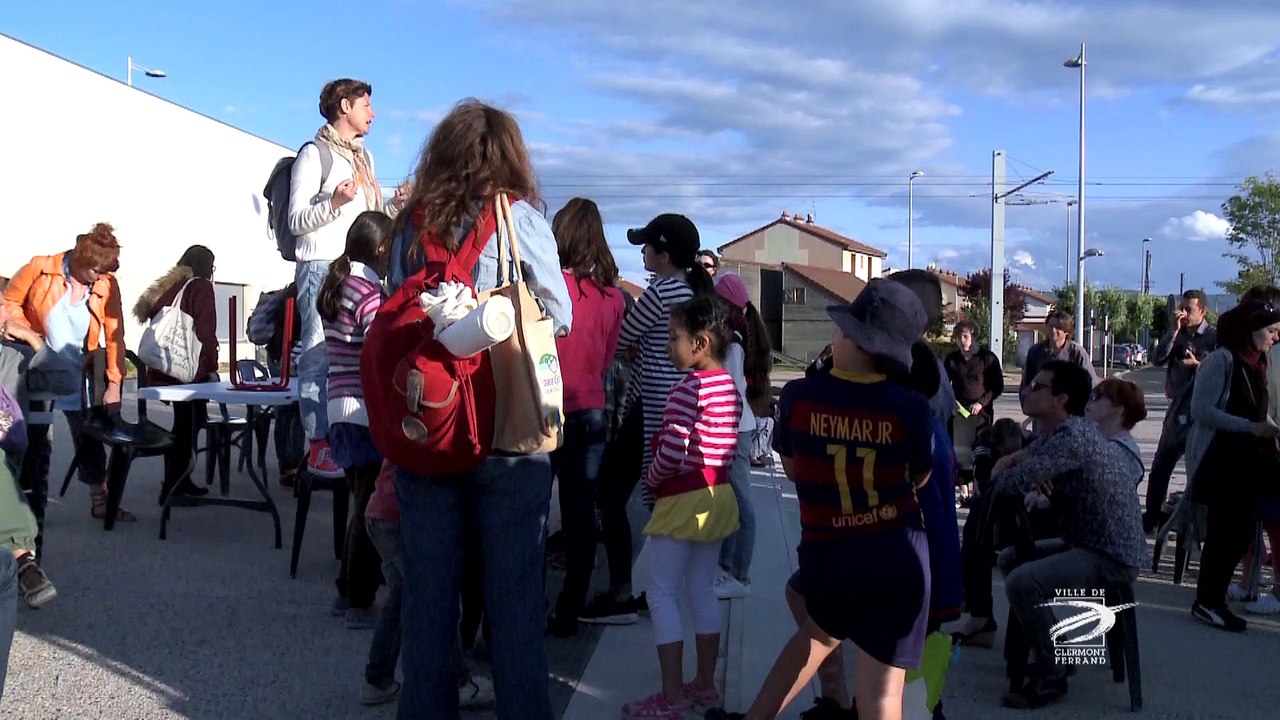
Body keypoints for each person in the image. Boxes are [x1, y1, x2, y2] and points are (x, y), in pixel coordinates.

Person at [382, 99, 571, 720]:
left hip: (429, 427)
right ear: (510, 156)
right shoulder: (520, 221)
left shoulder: (412, 225)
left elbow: (392, 308)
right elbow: (560, 317)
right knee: (514, 598)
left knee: (430, 598)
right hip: (507, 433)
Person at [721, 278, 934, 720]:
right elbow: (921, 477)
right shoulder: (911, 407)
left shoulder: (800, 396)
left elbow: (795, 471)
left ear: (851, 337)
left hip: (829, 553)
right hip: (896, 557)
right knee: (881, 697)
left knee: (817, 636)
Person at [579, 213, 715, 625]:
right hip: (676, 405)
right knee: (663, 496)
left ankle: (623, 593)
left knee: (611, 494)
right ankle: (670, 588)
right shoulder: (692, 290)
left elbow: (620, 337)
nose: (642, 252)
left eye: (647, 246)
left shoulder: (660, 293)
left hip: (651, 406)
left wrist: (627, 350)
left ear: (665, 254)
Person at [992, 361, 1148, 709]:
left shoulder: (1073, 438)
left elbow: (1012, 482)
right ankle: (1056, 651)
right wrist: (1014, 458)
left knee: (1021, 582)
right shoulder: (1061, 432)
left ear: (1061, 399)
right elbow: (1030, 454)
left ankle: (1053, 676)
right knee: (1010, 558)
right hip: (1089, 542)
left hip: (1110, 554)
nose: (1027, 390)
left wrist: (1002, 467)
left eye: (1038, 386)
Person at [621, 296, 742, 720]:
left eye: (674, 339)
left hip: (683, 497)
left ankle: (670, 698)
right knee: (702, 588)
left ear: (701, 343)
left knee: (661, 593)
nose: (669, 346)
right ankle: (705, 685)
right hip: (717, 494)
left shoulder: (685, 389)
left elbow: (672, 450)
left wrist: (653, 480)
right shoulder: (728, 386)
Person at [288, 78, 404, 480]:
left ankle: (348, 437)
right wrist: (334, 203)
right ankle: (319, 444)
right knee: (318, 356)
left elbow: (367, 219)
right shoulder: (313, 154)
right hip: (321, 265)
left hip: (357, 269)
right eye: (366, 105)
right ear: (344, 106)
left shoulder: (363, 159)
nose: (373, 113)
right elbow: (297, 220)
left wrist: (392, 206)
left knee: (355, 358)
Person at [2, 222, 133, 522]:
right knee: (32, 438)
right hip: (36, 369)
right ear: (80, 260)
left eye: (105, 273)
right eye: (97, 272)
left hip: (76, 370)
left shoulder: (106, 285)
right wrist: (25, 334)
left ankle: (100, 500)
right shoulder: (41, 269)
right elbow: (9, 301)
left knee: (88, 435)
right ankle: (23, 507)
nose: (102, 278)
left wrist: (114, 381)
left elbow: (115, 334)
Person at [1167, 300, 1280, 633]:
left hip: (1247, 462)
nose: (1275, 338)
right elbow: (1203, 410)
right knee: (1225, 533)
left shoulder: (1257, 362)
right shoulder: (1222, 359)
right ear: (1251, 330)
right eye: (1271, 331)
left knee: (1242, 532)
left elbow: (1258, 411)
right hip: (1220, 461)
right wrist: (1250, 427)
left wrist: (1268, 427)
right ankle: (1207, 602)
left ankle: (1213, 599)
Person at [545, 197, 625, 637]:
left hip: (544, 408)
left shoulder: (549, 286)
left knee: (533, 513)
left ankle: (520, 604)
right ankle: (569, 610)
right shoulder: (614, 299)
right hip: (590, 409)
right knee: (580, 517)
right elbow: (609, 358)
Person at [317, 210, 394, 628]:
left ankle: (347, 589)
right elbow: (378, 346)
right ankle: (358, 598)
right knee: (368, 508)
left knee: (358, 500)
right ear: (381, 249)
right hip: (364, 409)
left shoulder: (337, 284)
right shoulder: (367, 292)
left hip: (337, 406)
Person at [132, 245, 220, 503]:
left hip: (166, 369)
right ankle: (175, 485)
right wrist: (212, 366)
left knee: (184, 424)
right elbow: (205, 331)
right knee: (188, 426)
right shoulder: (200, 287)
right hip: (190, 371)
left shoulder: (170, 287)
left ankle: (178, 479)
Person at [712, 273, 771, 600]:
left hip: (733, 431)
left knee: (741, 503)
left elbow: (730, 394)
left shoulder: (732, 343)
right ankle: (726, 567)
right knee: (732, 502)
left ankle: (739, 574)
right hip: (737, 428)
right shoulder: (736, 338)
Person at [1144, 289, 1216, 532]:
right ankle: (1152, 518)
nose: (1184, 314)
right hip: (1176, 413)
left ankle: (1194, 524)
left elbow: (1221, 372)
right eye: (1182, 308)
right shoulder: (1178, 335)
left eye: (1190, 310)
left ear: (1203, 311)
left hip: (1201, 415)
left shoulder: (1214, 338)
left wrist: (1198, 365)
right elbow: (1157, 359)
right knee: (1160, 468)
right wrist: (1173, 331)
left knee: (1198, 474)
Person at [952, 418, 1026, 649]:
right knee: (978, 520)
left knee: (978, 527)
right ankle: (979, 614)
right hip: (996, 508)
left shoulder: (1031, 443)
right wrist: (1000, 468)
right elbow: (985, 485)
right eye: (1007, 452)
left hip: (1023, 510)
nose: (1012, 456)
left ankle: (979, 614)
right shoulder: (984, 447)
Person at [943, 319, 1004, 436]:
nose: (961, 341)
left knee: (979, 449)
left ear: (973, 336)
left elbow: (997, 387)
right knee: (959, 450)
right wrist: (952, 401)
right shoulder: (952, 359)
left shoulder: (987, 358)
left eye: (965, 336)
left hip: (981, 415)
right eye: (958, 338)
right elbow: (944, 384)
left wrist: (981, 403)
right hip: (958, 413)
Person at [1084, 378, 1148, 486]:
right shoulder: (1107, 443)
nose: (1090, 401)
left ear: (1119, 409)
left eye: (1097, 396)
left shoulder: (1120, 452)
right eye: (1091, 395)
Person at [1020, 310, 1096, 392]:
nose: (1053, 330)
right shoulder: (1035, 351)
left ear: (1066, 331)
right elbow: (1026, 383)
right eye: (1050, 326)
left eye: (1057, 327)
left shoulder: (1077, 353)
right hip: (1043, 402)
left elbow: (1091, 383)